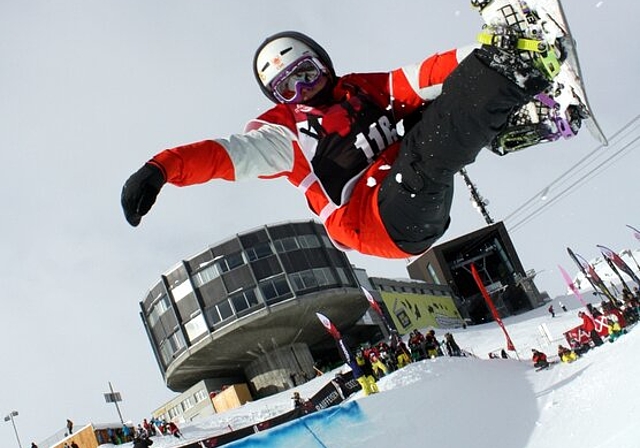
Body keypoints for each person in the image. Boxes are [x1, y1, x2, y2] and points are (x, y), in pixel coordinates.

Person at [121, 1, 573, 260]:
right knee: (427, 150)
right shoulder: (284, 136)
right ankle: (515, 70)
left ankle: (525, 118)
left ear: (324, 63)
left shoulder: (361, 89)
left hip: (407, 178)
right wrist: (162, 168)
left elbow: (423, 76)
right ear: (278, 100)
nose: (304, 90)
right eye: (288, 88)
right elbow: (223, 155)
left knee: (427, 109)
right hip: (376, 220)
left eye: (307, 73)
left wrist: (487, 47)